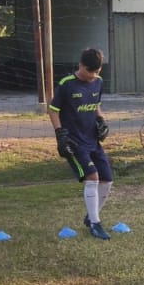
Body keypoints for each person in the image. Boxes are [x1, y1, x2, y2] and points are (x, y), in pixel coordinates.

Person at [49, 47, 114, 240]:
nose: (92, 76)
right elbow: (53, 110)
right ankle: (95, 224)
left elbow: (96, 105)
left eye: (96, 72)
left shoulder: (98, 82)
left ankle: (91, 216)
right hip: (75, 142)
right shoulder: (67, 84)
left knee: (107, 179)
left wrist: (101, 121)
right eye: (89, 71)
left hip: (93, 140)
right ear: (80, 66)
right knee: (92, 177)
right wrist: (60, 134)